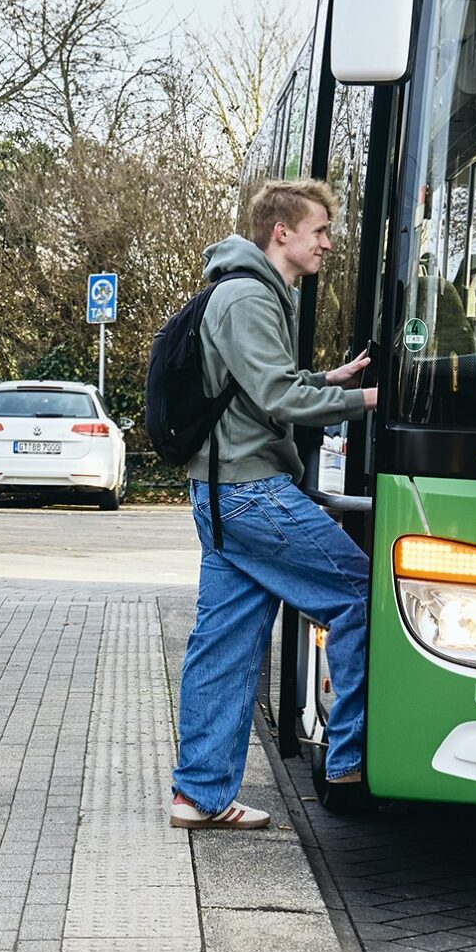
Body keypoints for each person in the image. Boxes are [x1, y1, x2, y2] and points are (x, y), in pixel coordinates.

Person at [169, 180, 377, 830]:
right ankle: (349, 760)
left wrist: (327, 380)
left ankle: (199, 796)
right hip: (251, 492)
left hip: (224, 493)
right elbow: (279, 399)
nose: (328, 243)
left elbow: (258, 390)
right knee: (359, 592)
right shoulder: (249, 297)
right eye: (320, 230)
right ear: (281, 232)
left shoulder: (250, 291)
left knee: (224, 644)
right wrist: (369, 400)